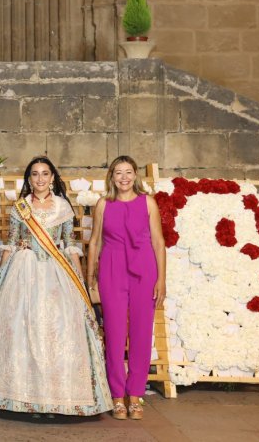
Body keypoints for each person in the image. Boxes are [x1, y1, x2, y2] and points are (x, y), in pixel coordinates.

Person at [0, 157, 113, 417]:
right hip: (23, 271)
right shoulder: (20, 208)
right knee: (22, 330)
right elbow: (12, 242)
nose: (40, 179)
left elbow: (70, 244)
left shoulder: (63, 207)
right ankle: (25, 398)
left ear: (52, 178)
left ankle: (55, 399)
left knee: (57, 332)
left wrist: (81, 284)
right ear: (29, 180)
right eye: (35, 175)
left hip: (57, 275)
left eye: (45, 174)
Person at [86, 155, 166, 421]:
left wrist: (161, 280)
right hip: (111, 270)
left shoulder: (148, 203)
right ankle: (117, 396)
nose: (124, 177)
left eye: (128, 172)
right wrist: (90, 278)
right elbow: (94, 242)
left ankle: (135, 394)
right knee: (115, 334)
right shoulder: (103, 204)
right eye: (118, 173)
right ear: (112, 177)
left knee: (142, 334)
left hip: (144, 271)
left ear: (135, 175)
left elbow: (158, 243)